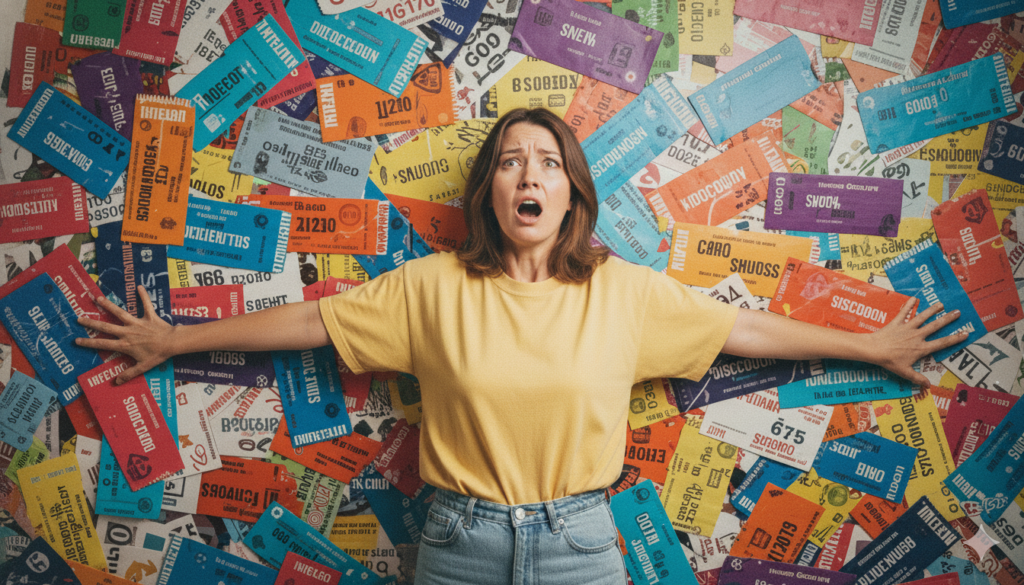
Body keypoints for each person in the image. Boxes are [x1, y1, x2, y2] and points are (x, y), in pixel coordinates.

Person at [77, 108, 966, 584]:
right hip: (459, 542)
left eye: (545, 161)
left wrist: (871, 343)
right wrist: (175, 337)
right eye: (509, 161)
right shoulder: (431, 287)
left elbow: (744, 329)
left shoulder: (622, 290)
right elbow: (313, 321)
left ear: (571, 193)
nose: (528, 173)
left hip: (582, 543)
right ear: (490, 192)